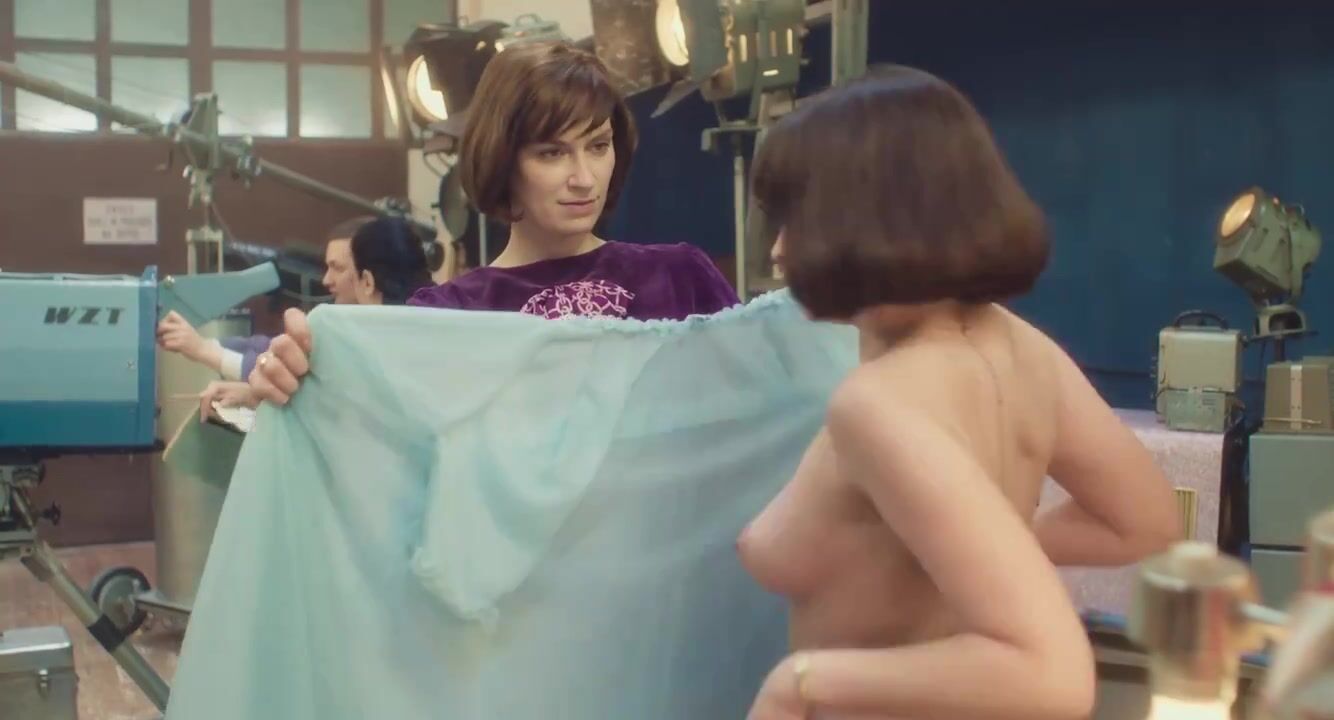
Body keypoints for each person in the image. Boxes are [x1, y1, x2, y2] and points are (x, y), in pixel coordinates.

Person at [736, 66, 1181, 720]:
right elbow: (1143, 521)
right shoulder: (1024, 350)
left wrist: (799, 681)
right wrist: (991, 553)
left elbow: (1051, 675)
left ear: (875, 217)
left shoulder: (878, 405)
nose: (778, 251)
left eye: (801, 217)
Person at [249, 42, 740, 406]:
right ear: (504, 160)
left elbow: (758, 406)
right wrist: (292, 380)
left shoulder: (681, 277)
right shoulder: (447, 318)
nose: (584, 178)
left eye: (598, 146)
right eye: (552, 153)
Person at [189, 215, 433, 421]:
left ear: (367, 279)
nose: (326, 280)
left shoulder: (356, 347)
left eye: (338, 268)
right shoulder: (433, 331)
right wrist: (251, 391)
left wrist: (201, 349)